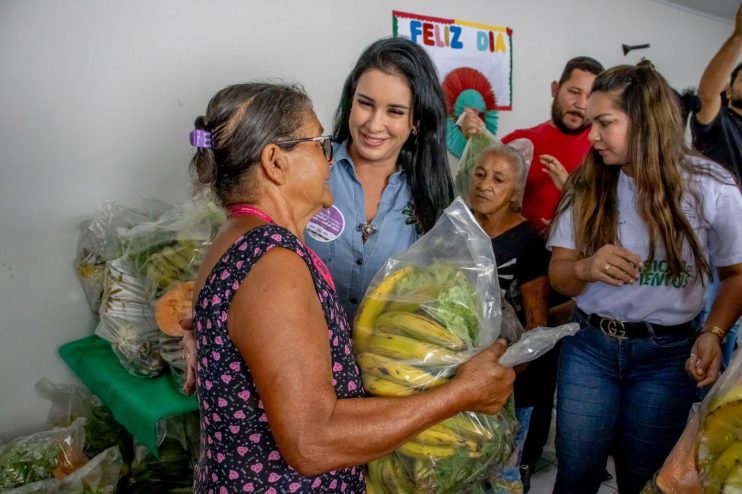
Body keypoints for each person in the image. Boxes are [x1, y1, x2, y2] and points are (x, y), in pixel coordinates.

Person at [185, 82, 515, 493]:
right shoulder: (272, 261)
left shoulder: (236, 237)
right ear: (275, 162)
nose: (330, 159)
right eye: (320, 144)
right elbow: (311, 442)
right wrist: (461, 395)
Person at [548, 61, 742, 494]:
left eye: (605, 123)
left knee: (643, 478)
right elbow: (558, 276)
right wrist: (584, 268)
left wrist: (714, 331)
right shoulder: (588, 185)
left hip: (668, 357)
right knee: (576, 472)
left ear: (646, 122)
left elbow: (736, 274)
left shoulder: (711, 187)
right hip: (589, 350)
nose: (591, 135)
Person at [303, 37, 455, 323]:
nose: (374, 124)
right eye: (365, 104)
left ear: (417, 122)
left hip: (387, 363)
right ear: (351, 101)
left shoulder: (432, 195)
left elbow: (443, 292)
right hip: (300, 357)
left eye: (395, 111)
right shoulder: (309, 168)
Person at [467, 143, 550, 491]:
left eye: (498, 180)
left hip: (511, 379)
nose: (485, 184)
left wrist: (505, 376)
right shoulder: (460, 226)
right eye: (480, 174)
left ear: (515, 192)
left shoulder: (528, 242)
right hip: (462, 373)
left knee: (504, 472)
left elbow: (537, 324)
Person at [460, 56, 604, 230]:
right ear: (555, 88)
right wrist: (476, 137)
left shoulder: (605, 148)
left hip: (579, 251)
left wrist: (569, 232)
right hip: (521, 251)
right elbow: (481, 188)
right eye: (574, 92)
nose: (581, 104)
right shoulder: (521, 142)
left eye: (590, 97)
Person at [691, 2, 742, 369]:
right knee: (707, 324)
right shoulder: (716, 121)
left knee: (730, 331)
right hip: (710, 247)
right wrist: (737, 36)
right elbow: (708, 92)